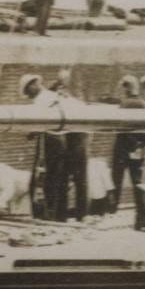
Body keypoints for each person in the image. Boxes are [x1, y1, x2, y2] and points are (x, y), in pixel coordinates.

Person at [22, 73, 67, 219]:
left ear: (33, 85)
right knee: (53, 181)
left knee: (44, 182)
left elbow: (41, 122)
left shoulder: (43, 100)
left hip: (50, 141)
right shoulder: (51, 97)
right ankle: (54, 216)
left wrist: (30, 132)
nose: (29, 96)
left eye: (28, 91)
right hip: (57, 140)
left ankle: (45, 217)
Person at [110, 74, 145, 210]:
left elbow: (119, 127)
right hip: (136, 150)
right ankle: (142, 209)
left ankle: (112, 209)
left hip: (122, 148)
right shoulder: (144, 105)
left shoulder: (124, 104)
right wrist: (140, 144)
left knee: (116, 180)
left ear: (126, 88)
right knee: (137, 181)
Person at [52, 68, 89, 219]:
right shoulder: (61, 101)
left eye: (64, 82)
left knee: (78, 181)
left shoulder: (75, 103)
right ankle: (65, 215)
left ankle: (79, 214)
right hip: (67, 145)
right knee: (65, 181)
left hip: (76, 144)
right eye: (61, 82)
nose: (62, 86)